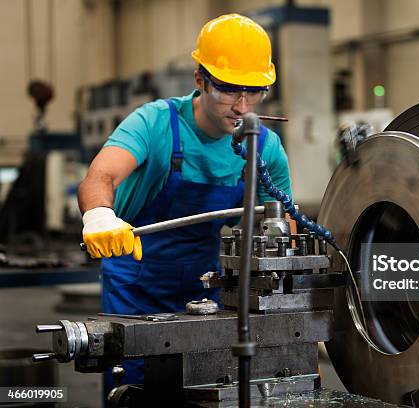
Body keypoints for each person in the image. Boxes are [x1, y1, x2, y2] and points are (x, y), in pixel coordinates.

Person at [77, 13, 291, 390]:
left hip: (205, 284)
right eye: (228, 89)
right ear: (200, 81)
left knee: (204, 385)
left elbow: (282, 221)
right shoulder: (155, 123)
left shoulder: (265, 146)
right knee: (134, 387)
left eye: (254, 91)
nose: (242, 106)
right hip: (135, 283)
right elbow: (101, 175)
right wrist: (98, 215)